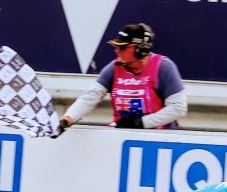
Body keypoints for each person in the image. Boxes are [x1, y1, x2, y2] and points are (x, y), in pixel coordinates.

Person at [56, 23, 186, 135]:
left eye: (123, 47)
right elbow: (90, 96)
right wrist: (66, 120)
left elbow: (178, 108)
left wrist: (142, 123)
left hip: (158, 138)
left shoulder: (163, 67)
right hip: (122, 134)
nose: (117, 51)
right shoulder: (114, 67)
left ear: (140, 49)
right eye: (116, 46)